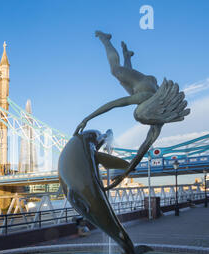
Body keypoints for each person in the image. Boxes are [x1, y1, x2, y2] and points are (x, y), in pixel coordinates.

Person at [75, 31, 189, 190]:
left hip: (147, 86)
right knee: (115, 70)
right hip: (144, 84)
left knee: (125, 82)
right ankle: (105, 39)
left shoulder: (158, 121)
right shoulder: (144, 97)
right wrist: (87, 118)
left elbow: (143, 149)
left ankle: (127, 55)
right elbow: (114, 104)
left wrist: (125, 173)